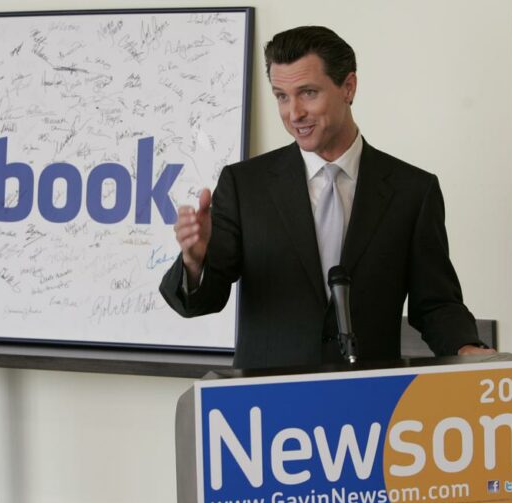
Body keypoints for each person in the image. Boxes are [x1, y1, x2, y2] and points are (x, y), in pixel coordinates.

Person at [160, 26, 494, 369]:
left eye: (308, 93)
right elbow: (202, 301)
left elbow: (436, 303)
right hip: (269, 397)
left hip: (369, 394)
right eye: (281, 96)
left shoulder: (413, 191)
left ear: (348, 87)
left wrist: (466, 347)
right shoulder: (245, 185)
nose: (294, 113)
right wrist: (195, 262)